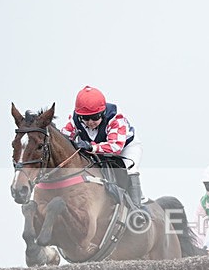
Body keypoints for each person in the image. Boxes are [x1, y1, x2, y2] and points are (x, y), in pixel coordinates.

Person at [61, 85, 147, 222]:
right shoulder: (74, 120)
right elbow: (63, 139)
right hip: (97, 150)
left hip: (125, 147)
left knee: (130, 169)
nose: (90, 122)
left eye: (95, 117)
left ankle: (138, 209)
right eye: (85, 118)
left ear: (102, 112)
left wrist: (91, 147)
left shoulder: (115, 118)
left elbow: (115, 147)